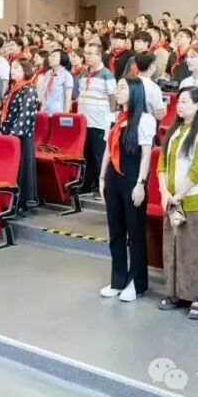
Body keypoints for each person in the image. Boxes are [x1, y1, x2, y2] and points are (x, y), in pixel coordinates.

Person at [157, 86, 198, 319]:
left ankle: (196, 297)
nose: (179, 106)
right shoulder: (175, 130)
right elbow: (162, 164)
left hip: (194, 199)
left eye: (184, 101)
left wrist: (179, 194)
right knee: (172, 247)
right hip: (172, 200)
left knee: (193, 249)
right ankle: (174, 293)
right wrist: (164, 193)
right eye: (178, 102)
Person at [99, 77, 156, 302]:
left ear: (134, 92)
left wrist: (141, 183)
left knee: (135, 234)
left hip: (132, 178)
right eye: (118, 87)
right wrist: (102, 177)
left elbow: (146, 155)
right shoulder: (112, 118)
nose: (118, 91)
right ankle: (118, 280)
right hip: (113, 177)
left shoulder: (145, 120)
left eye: (122, 88)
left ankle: (136, 282)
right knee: (115, 232)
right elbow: (107, 149)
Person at [0, 59, 40, 213]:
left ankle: (21, 201)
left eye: (16, 68)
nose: (12, 71)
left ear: (25, 70)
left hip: (20, 136)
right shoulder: (12, 88)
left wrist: (13, 134)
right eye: (12, 67)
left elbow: (25, 114)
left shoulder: (29, 89)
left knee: (21, 169)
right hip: (7, 132)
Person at [76, 43, 118, 194]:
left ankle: (104, 188)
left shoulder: (107, 74)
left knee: (99, 156)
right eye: (85, 53)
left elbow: (113, 99)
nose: (86, 56)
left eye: (90, 53)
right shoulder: (83, 73)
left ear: (99, 56)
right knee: (85, 155)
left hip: (99, 122)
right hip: (83, 122)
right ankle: (86, 185)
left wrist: (112, 119)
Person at [133, 51, 168, 121]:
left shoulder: (128, 82)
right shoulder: (153, 87)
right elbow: (160, 115)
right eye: (155, 64)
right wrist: (165, 101)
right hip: (144, 124)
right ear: (152, 66)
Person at [38, 49, 73, 114]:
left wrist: (65, 115)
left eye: (54, 56)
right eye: (50, 56)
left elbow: (67, 98)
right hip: (44, 111)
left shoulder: (67, 75)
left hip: (57, 113)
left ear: (62, 58)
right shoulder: (48, 73)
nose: (50, 58)